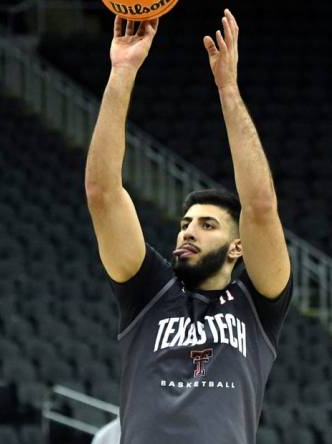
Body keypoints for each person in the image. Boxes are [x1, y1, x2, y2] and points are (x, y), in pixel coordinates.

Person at [84, 8, 292, 444]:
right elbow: (103, 193)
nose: (188, 231)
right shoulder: (147, 294)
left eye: (207, 224)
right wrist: (122, 70)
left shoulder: (258, 308)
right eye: (185, 222)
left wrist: (228, 89)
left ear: (238, 247)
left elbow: (260, 205)